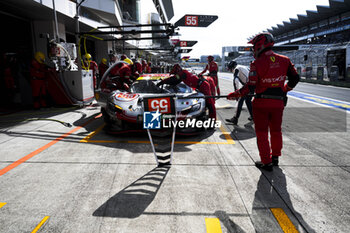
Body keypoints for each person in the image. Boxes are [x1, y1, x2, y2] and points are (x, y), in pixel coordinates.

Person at [227, 32, 300, 171]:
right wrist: (285, 89)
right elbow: (295, 78)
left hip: (261, 104)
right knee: (276, 131)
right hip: (278, 103)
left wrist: (235, 94)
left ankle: (266, 162)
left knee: (261, 133)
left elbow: (251, 86)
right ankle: (275, 158)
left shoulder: (256, 63)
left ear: (260, 45)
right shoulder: (285, 60)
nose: (254, 49)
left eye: (254, 46)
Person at [225, 60, 253, 125]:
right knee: (248, 101)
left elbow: (236, 81)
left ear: (232, 67)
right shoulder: (242, 66)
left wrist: (236, 93)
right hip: (252, 85)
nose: (230, 71)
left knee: (240, 100)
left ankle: (235, 118)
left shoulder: (236, 69)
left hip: (248, 86)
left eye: (230, 69)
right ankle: (253, 116)